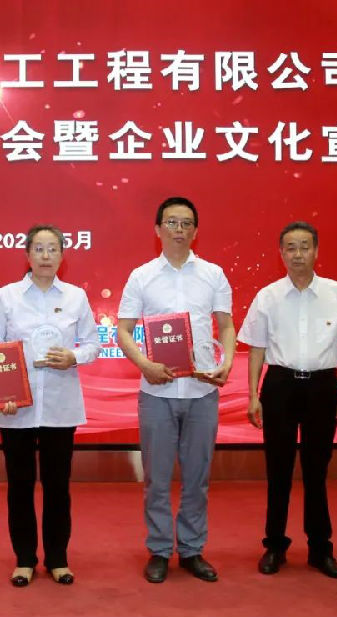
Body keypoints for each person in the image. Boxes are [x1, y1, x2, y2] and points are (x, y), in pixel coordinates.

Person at [237, 221, 337, 579]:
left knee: (316, 471)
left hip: (322, 388)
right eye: (291, 248)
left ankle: (320, 549)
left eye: (305, 246)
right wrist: (253, 396)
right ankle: (274, 546)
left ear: (316, 251)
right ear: (281, 253)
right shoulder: (267, 296)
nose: (298, 254)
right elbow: (256, 350)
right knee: (278, 470)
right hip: (279, 386)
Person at [117, 197, 236, 584]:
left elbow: (226, 326)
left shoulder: (213, 274)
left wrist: (227, 362)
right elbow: (123, 330)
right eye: (171, 222)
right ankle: (158, 550)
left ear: (196, 231)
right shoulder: (142, 276)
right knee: (156, 479)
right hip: (157, 393)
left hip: (202, 392)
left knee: (198, 478)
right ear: (158, 229)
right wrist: (145, 365)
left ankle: (191, 549)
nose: (179, 229)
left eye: (186, 223)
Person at [0, 224, 100, 587]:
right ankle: (24, 559)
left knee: (57, 486)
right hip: (16, 407)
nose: (46, 256)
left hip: (60, 407)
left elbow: (94, 344)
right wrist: (1, 394)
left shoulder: (76, 297)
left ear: (63, 255)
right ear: (27, 255)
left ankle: (58, 559)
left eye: (53, 249)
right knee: (19, 486)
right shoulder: (7, 296)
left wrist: (73, 356)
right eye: (39, 249)